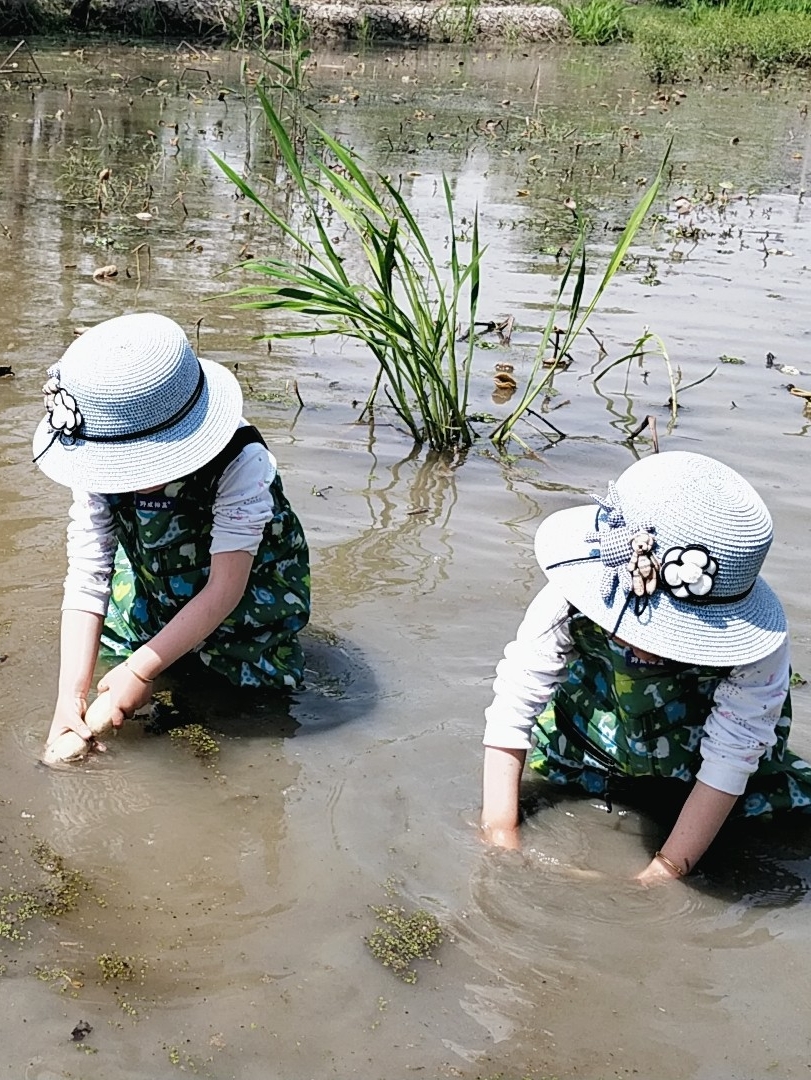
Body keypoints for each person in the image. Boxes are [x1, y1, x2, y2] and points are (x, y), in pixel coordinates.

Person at [480, 451, 811, 884]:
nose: (650, 651)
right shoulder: (571, 595)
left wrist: (666, 871)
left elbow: (734, 752)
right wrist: (500, 833)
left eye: (672, 636)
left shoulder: (757, 649)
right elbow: (517, 697)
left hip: (692, 758)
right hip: (594, 736)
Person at [33, 312, 311, 750]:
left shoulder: (241, 461)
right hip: (156, 583)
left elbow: (226, 588)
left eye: (138, 463)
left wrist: (141, 669)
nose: (127, 476)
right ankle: (163, 648)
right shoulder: (97, 454)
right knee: (122, 646)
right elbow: (88, 574)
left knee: (254, 694)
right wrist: (70, 697)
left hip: (242, 594)